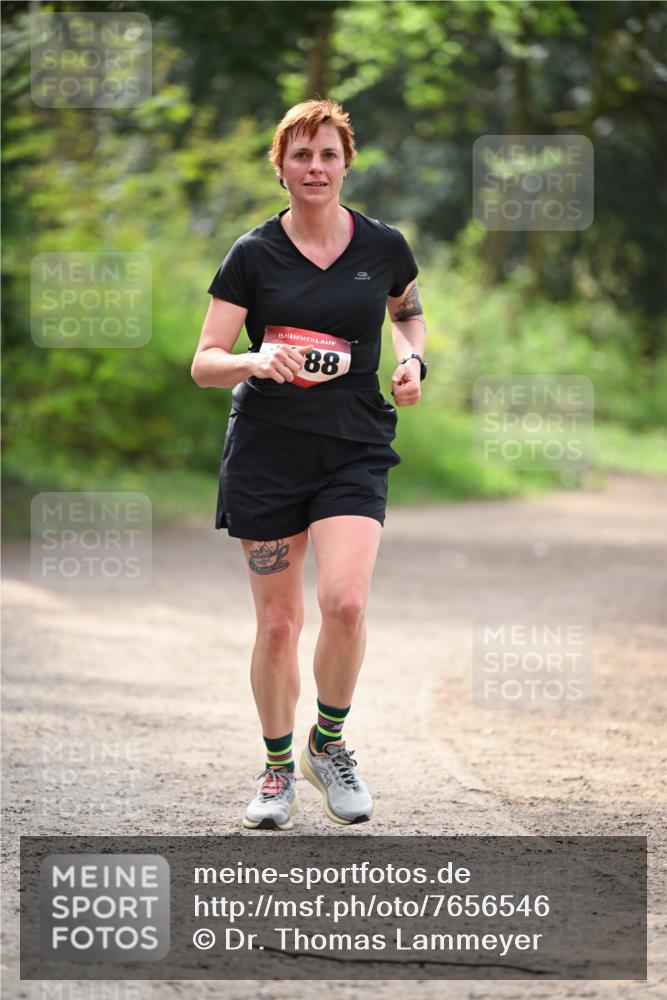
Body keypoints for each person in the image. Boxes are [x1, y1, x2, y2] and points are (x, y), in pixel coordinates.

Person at [191, 98, 427, 830]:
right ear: (281, 168)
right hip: (267, 452)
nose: (315, 167)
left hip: (353, 444)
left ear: (345, 163)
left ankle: (326, 743)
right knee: (277, 628)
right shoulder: (251, 255)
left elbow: (405, 310)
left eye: (327, 154)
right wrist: (254, 358)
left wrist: (414, 357)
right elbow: (203, 363)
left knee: (346, 604)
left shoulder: (383, 245)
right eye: (301, 156)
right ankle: (274, 770)